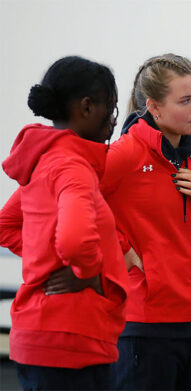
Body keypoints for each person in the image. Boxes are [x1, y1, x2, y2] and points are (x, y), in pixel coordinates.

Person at [101, 53, 191, 390]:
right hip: (144, 326)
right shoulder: (125, 154)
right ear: (154, 107)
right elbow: (78, 206)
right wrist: (122, 249)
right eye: (186, 100)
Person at [0, 56, 128, 390]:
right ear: (86, 108)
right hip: (71, 339)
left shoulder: (47, 160)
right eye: (110, 109)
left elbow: (6, 225)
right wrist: (89, 274)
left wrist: (49, 257)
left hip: (42, 336)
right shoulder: (73, 167)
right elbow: (74, 241)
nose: (113, 122)